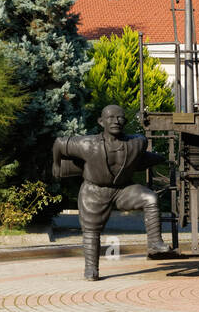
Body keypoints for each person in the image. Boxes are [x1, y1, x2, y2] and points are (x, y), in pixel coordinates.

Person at [52, 104, 174, 280]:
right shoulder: (87, 144)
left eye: (120, 117)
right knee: (91, 230)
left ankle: (155, 243)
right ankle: (91, 269)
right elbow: (59, 143)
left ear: (125, 121)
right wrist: (56, 165)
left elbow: (140, 160)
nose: (116, 121)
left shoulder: (137, 142)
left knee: (150, 198)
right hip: (95, 190)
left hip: (123, 190)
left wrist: (163, 158)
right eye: (110, 117)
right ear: (101, 122)